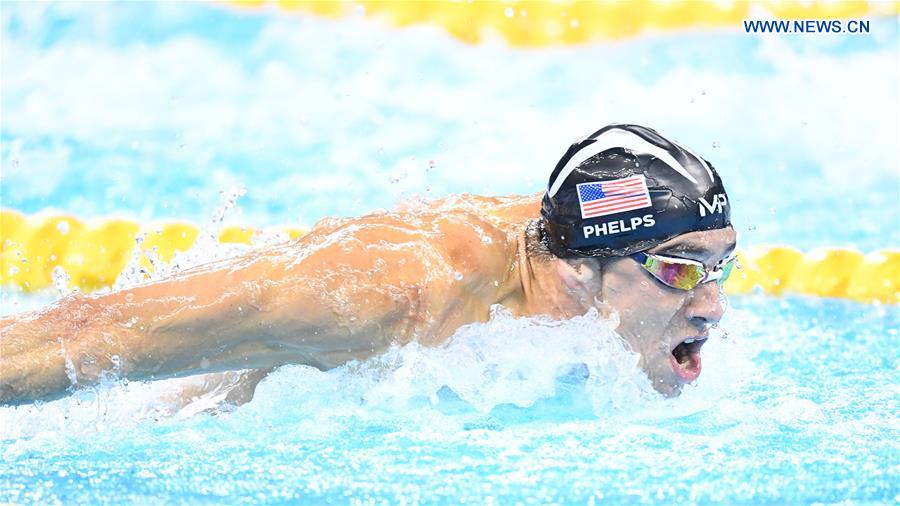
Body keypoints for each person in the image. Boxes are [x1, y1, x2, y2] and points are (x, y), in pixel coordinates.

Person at [0, 123, 736, 405]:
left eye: (719, 266)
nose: (711, 307)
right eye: (679, 270)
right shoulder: (391, 292)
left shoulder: (578, 252)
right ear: (581, 269)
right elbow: (86, 335)